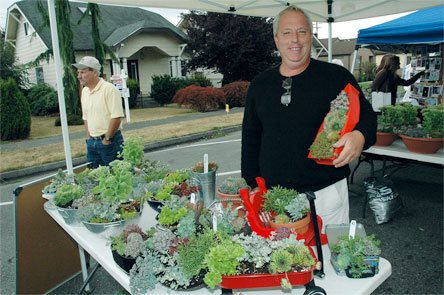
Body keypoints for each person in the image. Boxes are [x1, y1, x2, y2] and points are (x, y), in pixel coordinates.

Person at [241, 6, 377, 227]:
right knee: (278, 260)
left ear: (311, 36)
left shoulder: (335, 77)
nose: (295, 39)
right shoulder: (260, 85)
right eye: (287, 32)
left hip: (326, 195)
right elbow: (251, 137)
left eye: (302, 31)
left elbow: (368, 118)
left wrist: (359, 136)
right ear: (276, 39)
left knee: (330, 258)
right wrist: (253, 184)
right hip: (275, 199)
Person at [73, 56, 125, 168]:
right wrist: (88, 139)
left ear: (95, 73)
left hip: (110, 142)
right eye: (78, 72)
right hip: (92, 143)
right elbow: (86, 117)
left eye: (83, 72)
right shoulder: (85, 91)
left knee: (117, 177)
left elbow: (116, 117)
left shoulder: (109, 89)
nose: (79, 76)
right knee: (97, 178)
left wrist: (107, 139)